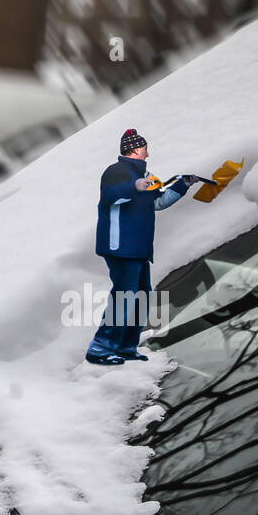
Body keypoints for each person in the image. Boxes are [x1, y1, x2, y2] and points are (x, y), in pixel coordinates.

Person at [86, 128, 195, 366]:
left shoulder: (148, 175)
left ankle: (125, 346)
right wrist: (134, 186)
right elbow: (111, 196)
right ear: (135, 149)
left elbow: (157, 202)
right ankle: (101, 348)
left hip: (139, 248)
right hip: (119, 246)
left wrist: (181, 186)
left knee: (142, 295)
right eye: (145, 148)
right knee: (124, 296)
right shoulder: (116, 172)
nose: (148, 153)